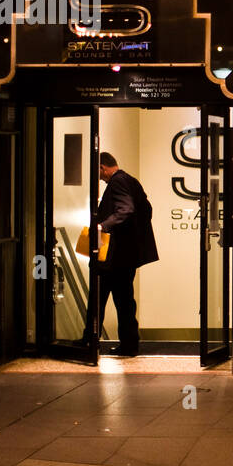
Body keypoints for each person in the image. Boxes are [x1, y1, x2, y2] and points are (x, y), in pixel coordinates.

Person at [86, 152, 158, 357]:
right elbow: (147, 209)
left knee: (98, 297)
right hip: (126, 256)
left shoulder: (117, 182)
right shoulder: (131, 181)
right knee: (125, 301)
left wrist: (102, 226)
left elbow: (125, 210)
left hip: (114, 257)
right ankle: (129, 344)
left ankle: (89, 341)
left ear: (103, 168)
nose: (99, 177)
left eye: (98, 172)